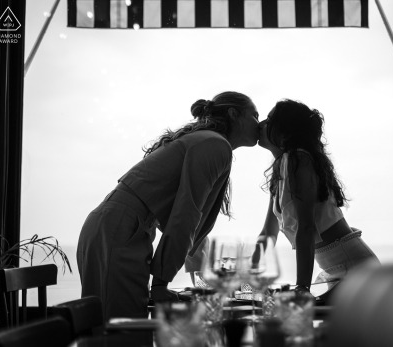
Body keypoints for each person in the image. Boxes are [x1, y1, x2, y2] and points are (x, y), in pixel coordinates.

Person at [77, 91, 260, 320]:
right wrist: (161, 283)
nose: (259, 123)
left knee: (108, 330)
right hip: (120, 230)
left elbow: (186, 217)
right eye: (254, 115)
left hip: (113, 225)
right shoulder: (215, 145)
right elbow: (186, 215)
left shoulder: (205, 140)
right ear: (234, 114)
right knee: (123, 331)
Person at [257, 99, 379, 294]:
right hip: (334, 268)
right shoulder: (281, 167)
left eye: (269, 119)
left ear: (285, 130)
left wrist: (302, 288)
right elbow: (267, 233)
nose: (261, 124)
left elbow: (306, 227)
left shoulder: (298, 159)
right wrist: (246, 278)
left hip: (355, 268)